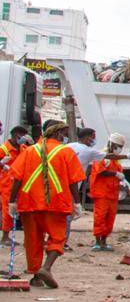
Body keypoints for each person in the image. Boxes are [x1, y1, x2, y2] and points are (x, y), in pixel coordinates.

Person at [7, 120, 83, 288]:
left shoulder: (29, 151)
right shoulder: (66, 152)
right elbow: (73, 181)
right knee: (57, 237)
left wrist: (12, 201)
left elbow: (17, 178)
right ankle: (46, 268)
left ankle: (36, 276)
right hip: (56, 203)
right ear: (56, 134)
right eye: (63, 133)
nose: (64, 137)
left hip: (29, 202)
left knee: (33, 240)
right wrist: (77, 203)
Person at [88, 133, 129, 252]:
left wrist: (123, 181)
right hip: (102, 192)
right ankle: (97, 241)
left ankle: (104, 241)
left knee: (110, 218)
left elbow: (117, 174)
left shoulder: (116, 160)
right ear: (111, 144)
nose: (119, 149)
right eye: (117, 146)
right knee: (100, 217)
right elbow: (100, 172)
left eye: (120, 146)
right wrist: (115, 174)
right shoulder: (102, 156)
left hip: (113, 193)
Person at [1, 125, 31, 245]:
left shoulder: (24, 148)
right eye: (21, 135)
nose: (23, 138)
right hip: (8, 185)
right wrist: (2, 164)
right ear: (15, 135)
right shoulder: (4, 149)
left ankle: (27, 237)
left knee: (24, 210)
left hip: (22, 184)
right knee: (8, 210)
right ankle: (5, 236)